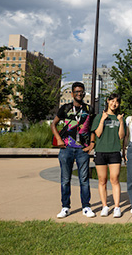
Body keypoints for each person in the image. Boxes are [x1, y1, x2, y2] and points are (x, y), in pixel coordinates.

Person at [51, 82, 95, 219]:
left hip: (82, 149)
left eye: (81, 91)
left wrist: (92, 144)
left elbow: (92, 128)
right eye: (76, 92)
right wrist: (58, 139)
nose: (79, 94)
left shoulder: (89, 109)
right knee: (65, 179)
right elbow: (54, 124)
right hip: (67, 148)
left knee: (84, 180)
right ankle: (65, 207)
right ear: (72, 93)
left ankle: (86, 207)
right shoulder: (65, 108)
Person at [90, 93, 124, 218]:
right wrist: (103, 120)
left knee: (114, 179)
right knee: (102, 180)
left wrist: (120, 122)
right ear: (108, 101)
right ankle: (105, 206)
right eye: (112, 101)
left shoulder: (119, 118)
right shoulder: (99, 116)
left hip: (114, 151)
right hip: (101, 151)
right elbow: (97, 134)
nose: (114, 104)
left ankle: (117, 207)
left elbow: (121, 136)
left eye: (117, 102)